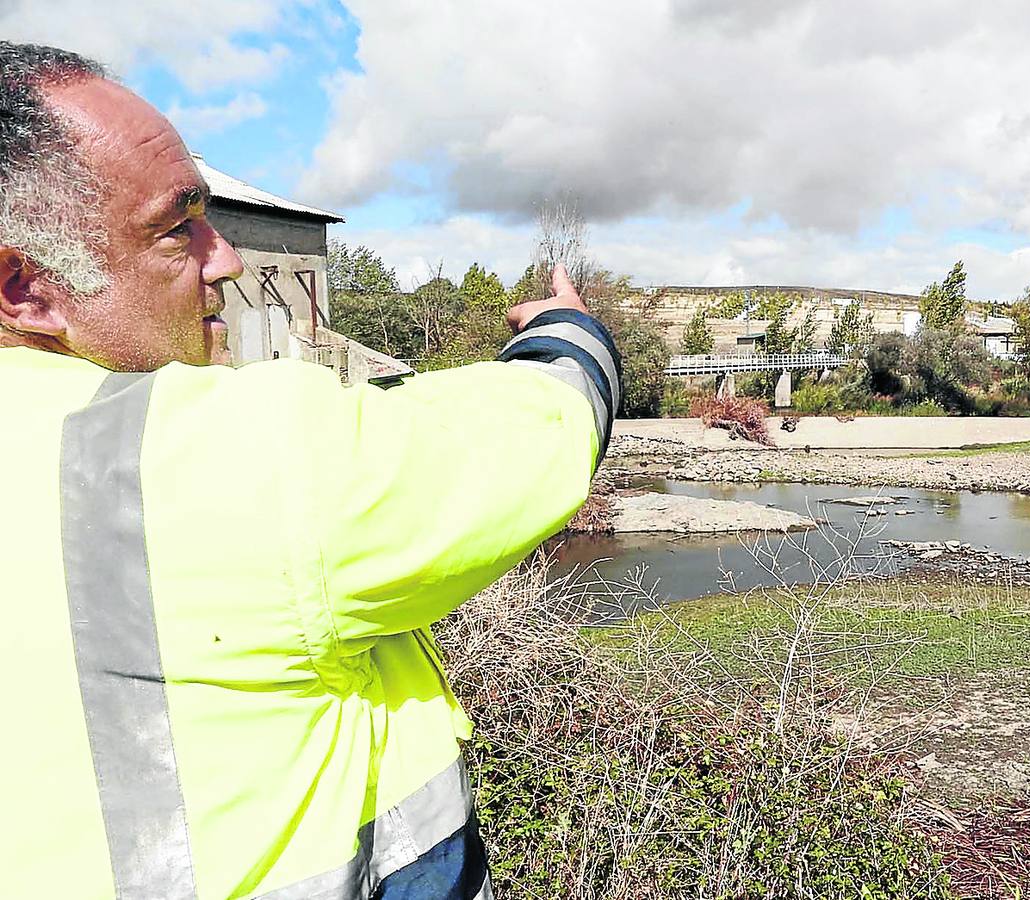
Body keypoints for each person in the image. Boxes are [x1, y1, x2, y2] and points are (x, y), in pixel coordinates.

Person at [0, 42, 620, 899]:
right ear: (23, 287)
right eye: (178, 227)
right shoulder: (209, 453)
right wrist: (567, 333)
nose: (227, 260)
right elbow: (533, 437)